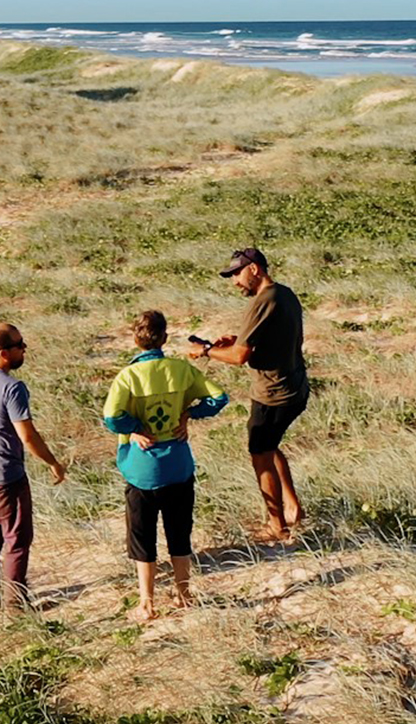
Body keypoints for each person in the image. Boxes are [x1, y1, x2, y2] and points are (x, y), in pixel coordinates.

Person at [103, 309, 228, 621]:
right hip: (177, 464)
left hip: (141, 469)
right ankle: (183, 593)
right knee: (179, 529)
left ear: (135, 340)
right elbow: (218, 398)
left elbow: (111, 417)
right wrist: (189, 414)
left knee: (142, 535)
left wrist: (133, 428)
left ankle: (146, 601)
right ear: (165, 337)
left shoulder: (128, 376)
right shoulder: (181, 370)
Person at [189, 247, 308, 540]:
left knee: (260, 454)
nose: (234, 282)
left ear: (254, 269)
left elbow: (240, 356)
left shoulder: (261, 302)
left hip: (272, 393)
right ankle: (293, 508)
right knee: (271, 445)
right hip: (295, 387)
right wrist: (237, 339)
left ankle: (276, 525)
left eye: (237, 274)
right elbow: (269, 336)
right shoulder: (284, 294)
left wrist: (206, 351)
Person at [0, 322, 66, 610]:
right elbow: (27, 436)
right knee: (18, 540)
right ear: (3, 353)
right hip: (5, 477)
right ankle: (16, 606)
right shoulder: (12, 387)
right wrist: (53, 463)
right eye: (19, 344)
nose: (25, 349)